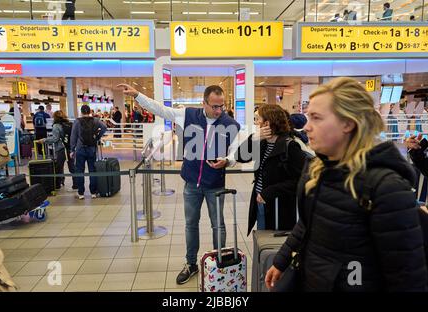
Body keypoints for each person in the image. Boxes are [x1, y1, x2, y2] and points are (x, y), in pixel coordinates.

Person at [265, 77, 428, 292]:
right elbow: (308, 223)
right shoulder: (317, 169)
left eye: (316, 118)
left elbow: (406, 275)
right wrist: (282, 259)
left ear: (348, 123)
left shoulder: (386, 188)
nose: (306, 127)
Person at [117, 83, 241, 285]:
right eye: (215, 106)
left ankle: (220, 262)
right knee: (191, 224)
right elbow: (161, 109)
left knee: (218, 225)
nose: (219, 111)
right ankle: (191, 264)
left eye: (222, 106)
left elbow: (236, 152)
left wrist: (228, 160)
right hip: (192, 183)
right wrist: (138, 95)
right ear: (204, 103)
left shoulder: (231, 124)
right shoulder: (189, 115)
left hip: (215, 184)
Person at [236, 104, 306, 234]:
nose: (256, 123)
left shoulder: (290, 146)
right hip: (260, 203)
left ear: (267, 123)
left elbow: (300, 180)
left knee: (273, 245)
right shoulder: (262, 142)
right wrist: (254, 138)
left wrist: (270, 192)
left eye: (258, 119)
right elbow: (239, 156)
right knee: (263, 241)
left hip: (279, 206)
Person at [70, 104, 107, 200]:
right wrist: (97, 136)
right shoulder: (95, 120)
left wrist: (72, 149)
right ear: (90, 111)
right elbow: (104, 127)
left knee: (80, 171)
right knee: (92, 170)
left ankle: (81, 193)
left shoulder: (77, 122)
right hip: (92, 148)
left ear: (81, 112)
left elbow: (73, 136)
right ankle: (93, 192)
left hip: (80, 149)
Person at [36, 110, 76, 190]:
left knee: (59, 167)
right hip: (70, 148)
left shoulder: (56, 126)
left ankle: (58, 183)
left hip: (61, 149)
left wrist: (44, 140)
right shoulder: (70, 124)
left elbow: (55, 139)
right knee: (72, 167)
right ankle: (76, 184)